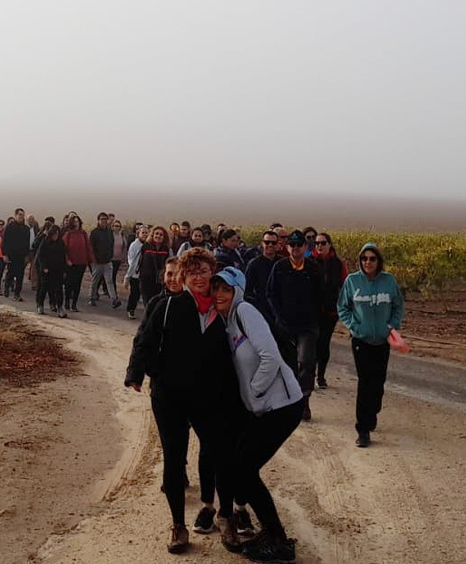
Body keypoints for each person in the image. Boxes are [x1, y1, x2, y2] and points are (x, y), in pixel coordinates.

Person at [124, 249, 244, 554]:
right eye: (192, 272)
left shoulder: (224, 311)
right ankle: (178, 525)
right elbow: (145, 340)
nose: (199, 277)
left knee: (221, 454)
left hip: (211, 397)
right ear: (183, 277)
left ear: (212, 272)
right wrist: (135, 372)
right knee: (174, 460)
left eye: (204, 270)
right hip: (170, 396)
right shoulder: (167, 307)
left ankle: (226, 516)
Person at [212, 266, 304, 562]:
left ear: (237, 290)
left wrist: (255, 392)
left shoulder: (245, 311)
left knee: (244, 470)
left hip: (283, 406)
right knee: (241, 469)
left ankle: (278, 539)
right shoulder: (227, 323)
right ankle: (272, 533)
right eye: (216, 288)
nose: (219, 294)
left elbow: (271, 356)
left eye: (226, 289)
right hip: (265, 409)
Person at [336, 242, 405, 448]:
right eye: (364, 258)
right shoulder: (352, 281)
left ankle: (373, 412)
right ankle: (363, 429)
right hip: (361, 340)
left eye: (372, 258)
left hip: (382, 340)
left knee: (378, 382)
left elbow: (398, 305)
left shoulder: (389, 281)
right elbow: (343, 307)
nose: (368, 262)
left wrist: (392, 326)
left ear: (378, 260)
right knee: (365, 382)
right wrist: (353, 326)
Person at [267, 230, 323, 419]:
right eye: (292, 244)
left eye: (299, 245)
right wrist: (278, 317)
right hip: (284, 325)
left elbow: (320, 295)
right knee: (286, 363)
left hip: (307, 326)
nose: (296, 248)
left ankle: (304, 401)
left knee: (306, 362)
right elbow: (271, 294)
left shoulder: (313, 268)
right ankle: (285, 401)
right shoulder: (280, 267)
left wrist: (314, 316)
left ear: (306, 247)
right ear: (287, 246)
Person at [312, 232, 348, 389]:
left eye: (323, 242)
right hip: (312, 312)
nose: (320, 245)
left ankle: (321, 376)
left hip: (330, 312)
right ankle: (309, 375)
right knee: (311, 344)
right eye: (317, 243)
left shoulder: (338, 264)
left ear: (330, 244)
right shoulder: (309, 262)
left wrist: (343, 306)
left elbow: (345, 286)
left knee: (324, 343)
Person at [88, 213, 122, 309]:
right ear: (98, 220)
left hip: (107, 261)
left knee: (109, 281)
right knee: (95, 280)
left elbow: (111, 245)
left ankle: (114, 299)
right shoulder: (94, 232)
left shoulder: (109, 232)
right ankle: (92, 297)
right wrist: (93, 259)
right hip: (97, 262)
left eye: (105, 219)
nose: (104, 221)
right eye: (102, 219)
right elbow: (91, 247)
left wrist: (110, 256)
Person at [243, 230, 279, 316]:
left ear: (277, 245)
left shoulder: (282, 263)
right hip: (261, 310)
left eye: (273, 243)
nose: (270, 245)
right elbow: (247, 290)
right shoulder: (254, 264)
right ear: (262, 244)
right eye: (267, 242)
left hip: (280, 311)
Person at [35, 224, 68, 316]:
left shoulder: (61, 243)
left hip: (58, 269)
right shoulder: (45, 242)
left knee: (59, 289)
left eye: (57, 234)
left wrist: (64, 269)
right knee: (44, 288)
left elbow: (63, 256)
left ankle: (60, 307)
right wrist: (44, 267)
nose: (55, 236)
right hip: (47, 269)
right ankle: (40, 305)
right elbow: (41, 256)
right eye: (54, 234)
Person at [62, 215, 93, 312]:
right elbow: (64, 249)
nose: (76, 223)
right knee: (69, 283)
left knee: (77, 283)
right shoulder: (68, 234)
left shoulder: (83, 234)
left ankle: (74, 304)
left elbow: (88, 247)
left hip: (81, 262)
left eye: (78, 221)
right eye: (74, 221)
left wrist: (90, 260)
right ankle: (67, 301)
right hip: (71, 263)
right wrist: (67, 260)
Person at [137, 226, 171, 306]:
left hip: (159, 281)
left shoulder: (166, 249)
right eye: (156, 234)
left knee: (156, 304)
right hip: (145, 280)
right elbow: (138, 262)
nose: (158, 236)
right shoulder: (146, 246)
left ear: (164, 237)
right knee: (147, 304)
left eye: (161, 235)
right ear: (152, 235)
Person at [1, 209, 30, 301]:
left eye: (23, 215)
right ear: (15, 215)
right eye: (20, 215)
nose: (21, 217)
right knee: (10, 273)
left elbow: (27, 243)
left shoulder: (26, 229)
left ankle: (17, 294)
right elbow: (4, 241)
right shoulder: (9, 227)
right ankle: (6, 288)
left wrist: (26, 255)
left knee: (20, 275)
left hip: (21, 256)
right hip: (11, 254)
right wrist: (4, 254)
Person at [124, 225, 147, 318]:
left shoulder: (149, 245)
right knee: (135, 293)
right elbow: (131, 261)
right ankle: (131, 309)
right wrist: (127, 277)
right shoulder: (134, 245)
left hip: (145, 274)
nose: (145, 234)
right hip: (135, 274)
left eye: (146, 232)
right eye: (143, 232)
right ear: (138, 234)